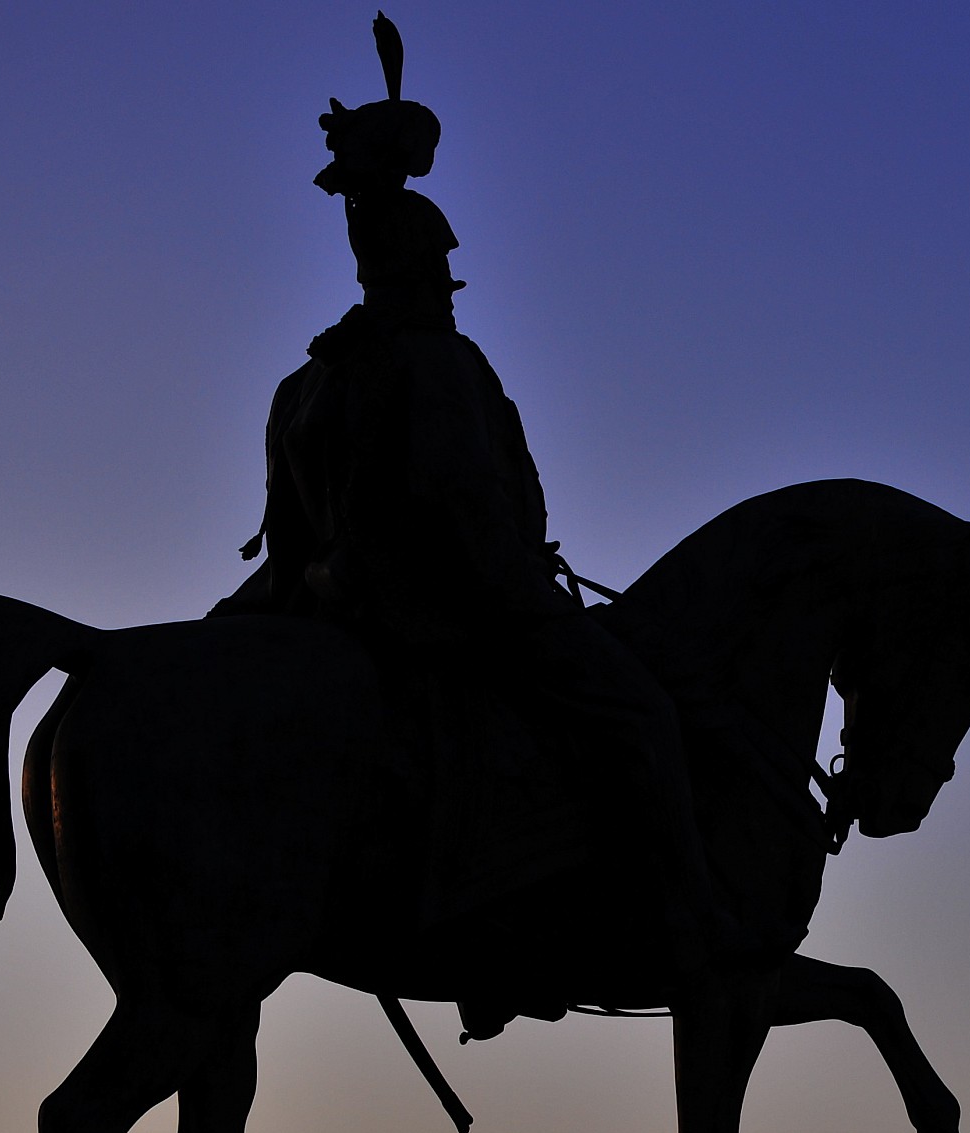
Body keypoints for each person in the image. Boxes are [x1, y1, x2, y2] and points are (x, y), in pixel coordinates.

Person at [218, 16, 737, 1007]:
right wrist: (530, 587)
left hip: (318, 601)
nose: (450, 284)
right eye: (444, 266)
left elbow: (292, 530)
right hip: (442, 606)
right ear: (421, 260)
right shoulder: (441, 370)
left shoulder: (309, 381)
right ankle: (684, 917)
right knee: (637, 709)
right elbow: (470, 515)